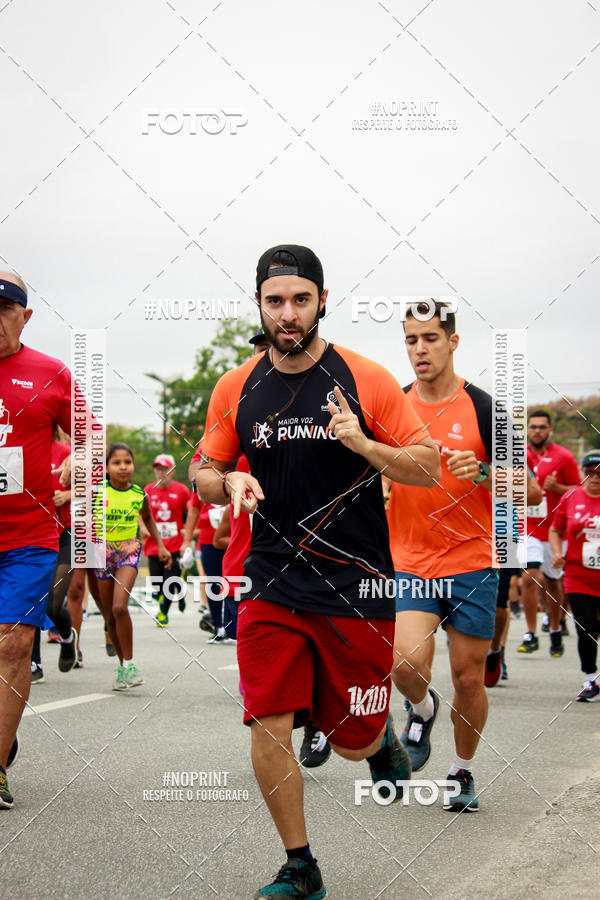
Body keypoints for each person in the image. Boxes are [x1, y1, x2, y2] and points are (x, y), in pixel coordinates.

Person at [191, 244, 440, 899]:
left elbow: (427, 465)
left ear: (322, 301)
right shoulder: (237, 385)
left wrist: (360, 442)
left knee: (350, 743)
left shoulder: (366, 378)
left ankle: (376, 732)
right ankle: (300, 866)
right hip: (270, 581)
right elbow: (201, 472)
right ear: (259, 305)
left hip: (356, 588)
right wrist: (229, 479)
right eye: (276, 300)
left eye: (301, 299)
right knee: (268, 721)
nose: (288, 312)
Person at [388, 299, 506, 813]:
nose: (420, 349)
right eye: (411, 339)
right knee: (405, 665)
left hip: (473, 559)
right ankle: (422, 707)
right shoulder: (391, 404)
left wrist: (479, 469)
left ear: (452, 342)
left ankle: (461, 771)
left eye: (430, 338)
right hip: (410, 556)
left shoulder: (486, 408)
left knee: (468, 677)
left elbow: (524, 488)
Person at [0, 271, 74, 809]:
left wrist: (80, 455)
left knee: (13, 641)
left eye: (5, 308)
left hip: (28, 535)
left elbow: (92, 433)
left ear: (25, 316)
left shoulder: (50, 373)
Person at [94, 443, 172, 690]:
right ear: (106, 467)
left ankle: (130, 663)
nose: (123, 467)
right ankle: (121, 668)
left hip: (128, 552)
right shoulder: (96, 492)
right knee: (109, 616)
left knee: (119, 607)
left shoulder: (139, 494)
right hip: (101, 555)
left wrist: (160, 546)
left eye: (127, 462)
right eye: (116, 463)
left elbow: (149, 519)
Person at [521, 410, 580, 656]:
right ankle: (531, 633)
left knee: (554, 582)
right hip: (527, 527)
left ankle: (555, 630)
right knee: (529, 575)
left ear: (550, 430)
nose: (537, 431)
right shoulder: (519, 455)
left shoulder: (564, 457)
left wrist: (558, 488)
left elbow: (580, 490)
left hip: (554, 529)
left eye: (542, 427)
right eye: (533, 427)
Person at [549, 451, 600, 701]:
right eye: (590, 472)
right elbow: (555, 530)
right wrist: (558, 553)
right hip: (577, 576)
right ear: (583, 473)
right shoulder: (571, 497)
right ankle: (590, 680)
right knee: (585, 627)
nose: (595, 478)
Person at [485, 469, 543, 687]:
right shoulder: (452, 448)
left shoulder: (506, 455)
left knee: (499, 604)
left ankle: (496, 650)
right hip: (460, 534)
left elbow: (536, 495)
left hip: (503, 536)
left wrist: (488, 478)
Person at [139, 453, 190, 627]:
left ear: (173, 470)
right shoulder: (147, 489)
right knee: (157, 581)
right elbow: (139, 513)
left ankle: (163, 613)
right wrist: (143, 528)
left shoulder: (182, 491)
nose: (161, 472)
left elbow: (190, 513)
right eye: (158, 469)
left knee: (169, 578)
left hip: (174, 544)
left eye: (165, 468)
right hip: (154, 544)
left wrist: (187, 533)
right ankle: (178, 590)